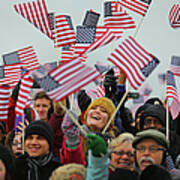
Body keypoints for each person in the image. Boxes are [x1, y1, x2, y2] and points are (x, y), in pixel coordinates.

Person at [60, 97, 118, 165]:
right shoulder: (74, 134)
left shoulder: (114, 144)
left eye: (103, 111)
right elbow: (70, 165)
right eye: (93, 108)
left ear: (109, 121)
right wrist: (72, 140)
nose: (97, 111)